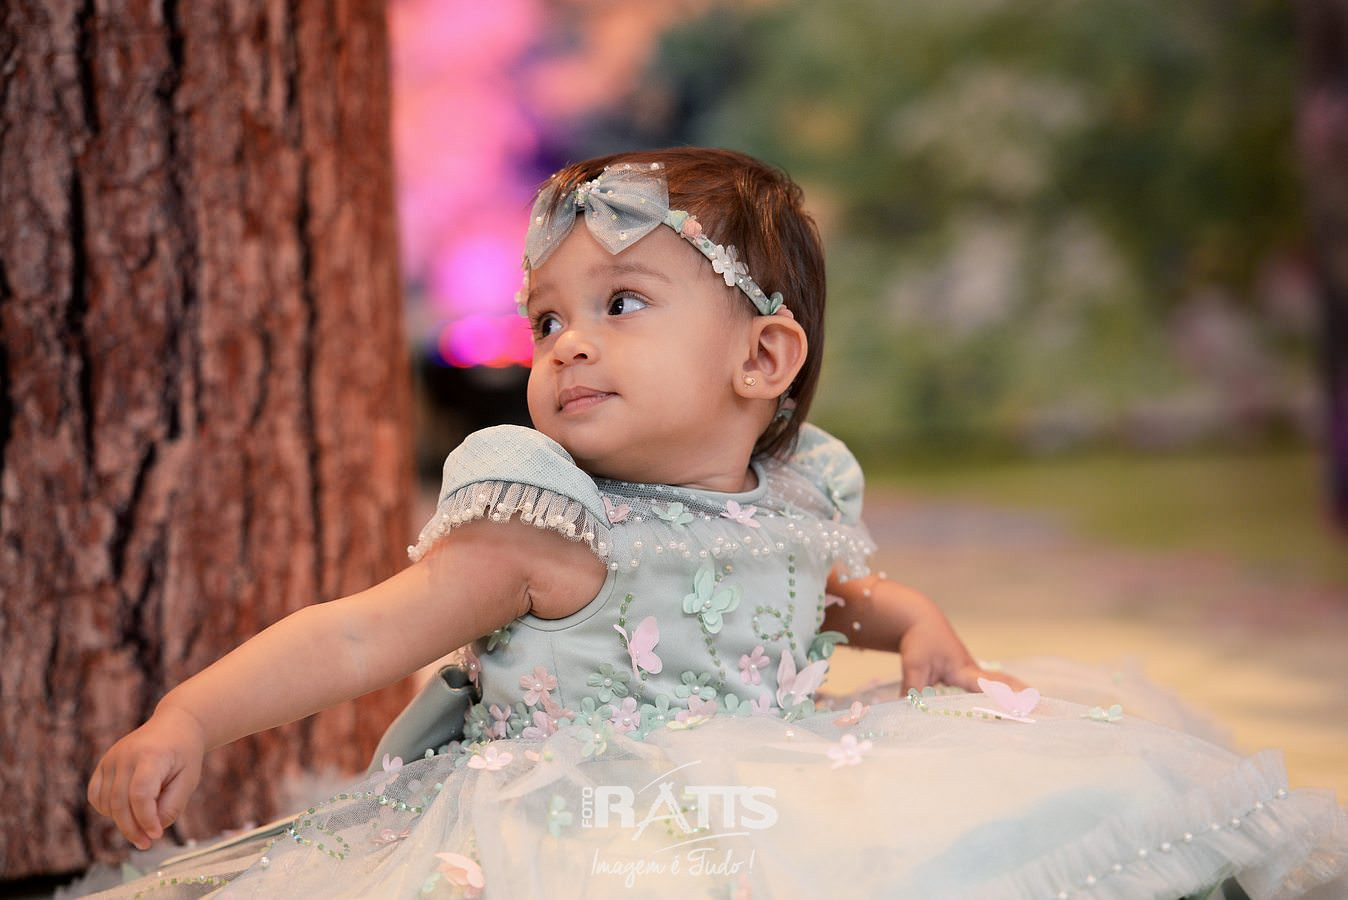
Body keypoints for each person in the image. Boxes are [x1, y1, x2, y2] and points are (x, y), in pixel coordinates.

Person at [84, 148, 1346, 899]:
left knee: (1027, 809)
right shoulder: (544, 526)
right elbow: (361, 636)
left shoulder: (794, 496)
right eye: (547, 318)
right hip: (583, 822)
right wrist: (191, 716)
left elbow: (825, 591)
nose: (567, 343)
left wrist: (914, 621)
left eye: (621, 303)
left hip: (778, 779)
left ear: (761, 358)